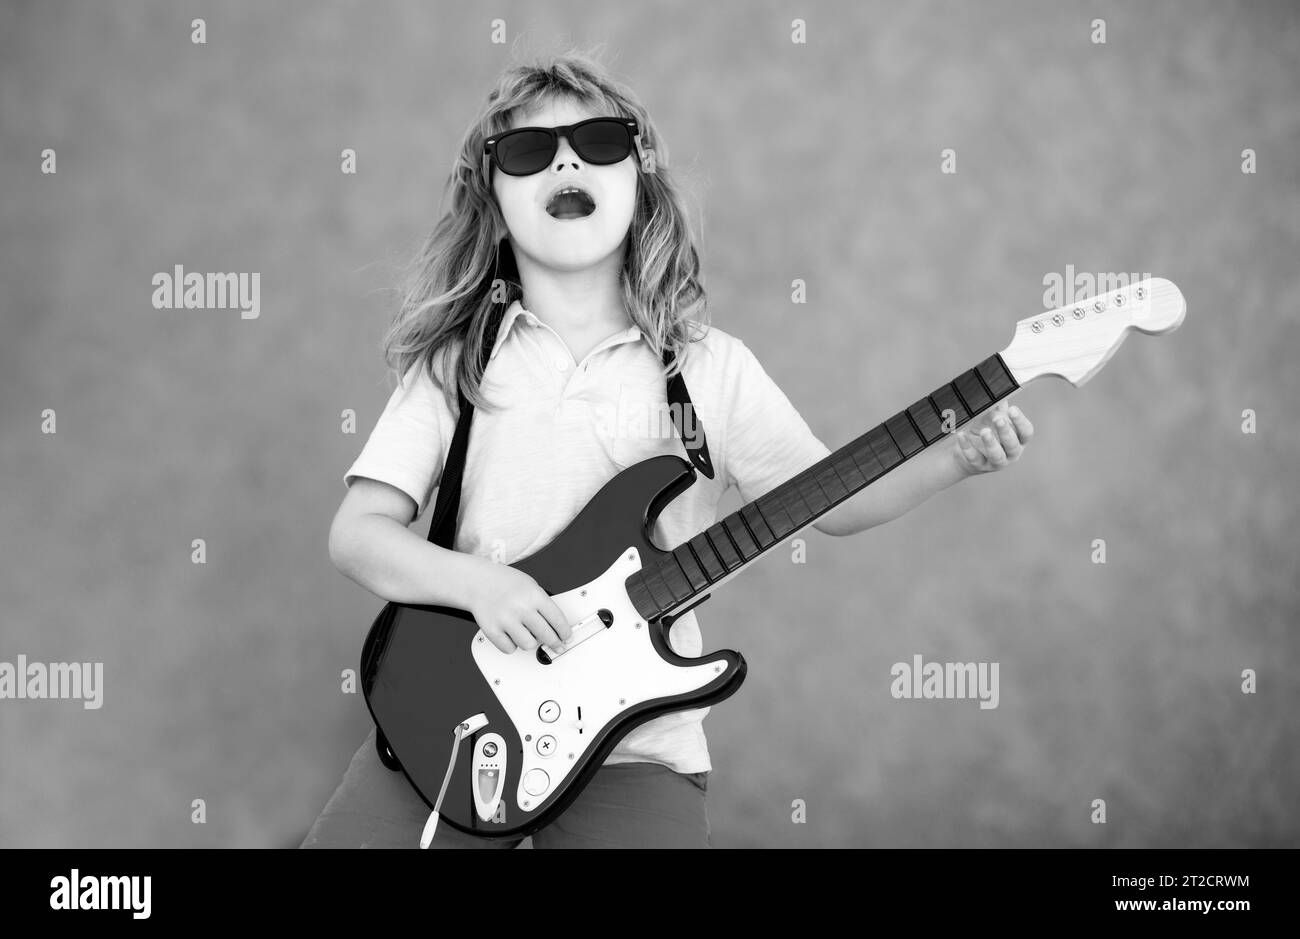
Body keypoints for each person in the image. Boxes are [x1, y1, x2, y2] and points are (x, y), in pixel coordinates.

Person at [300, 51, 1034, 850]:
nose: (567, 160)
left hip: (638, 752)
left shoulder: (712, 368)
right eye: (529, 151)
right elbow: (358, 531)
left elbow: (834, 501)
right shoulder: (459, 362)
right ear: (494, 197)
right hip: (450, 725)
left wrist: (954, 458)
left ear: (641, 176)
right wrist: (481, 585)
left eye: (598, 141)